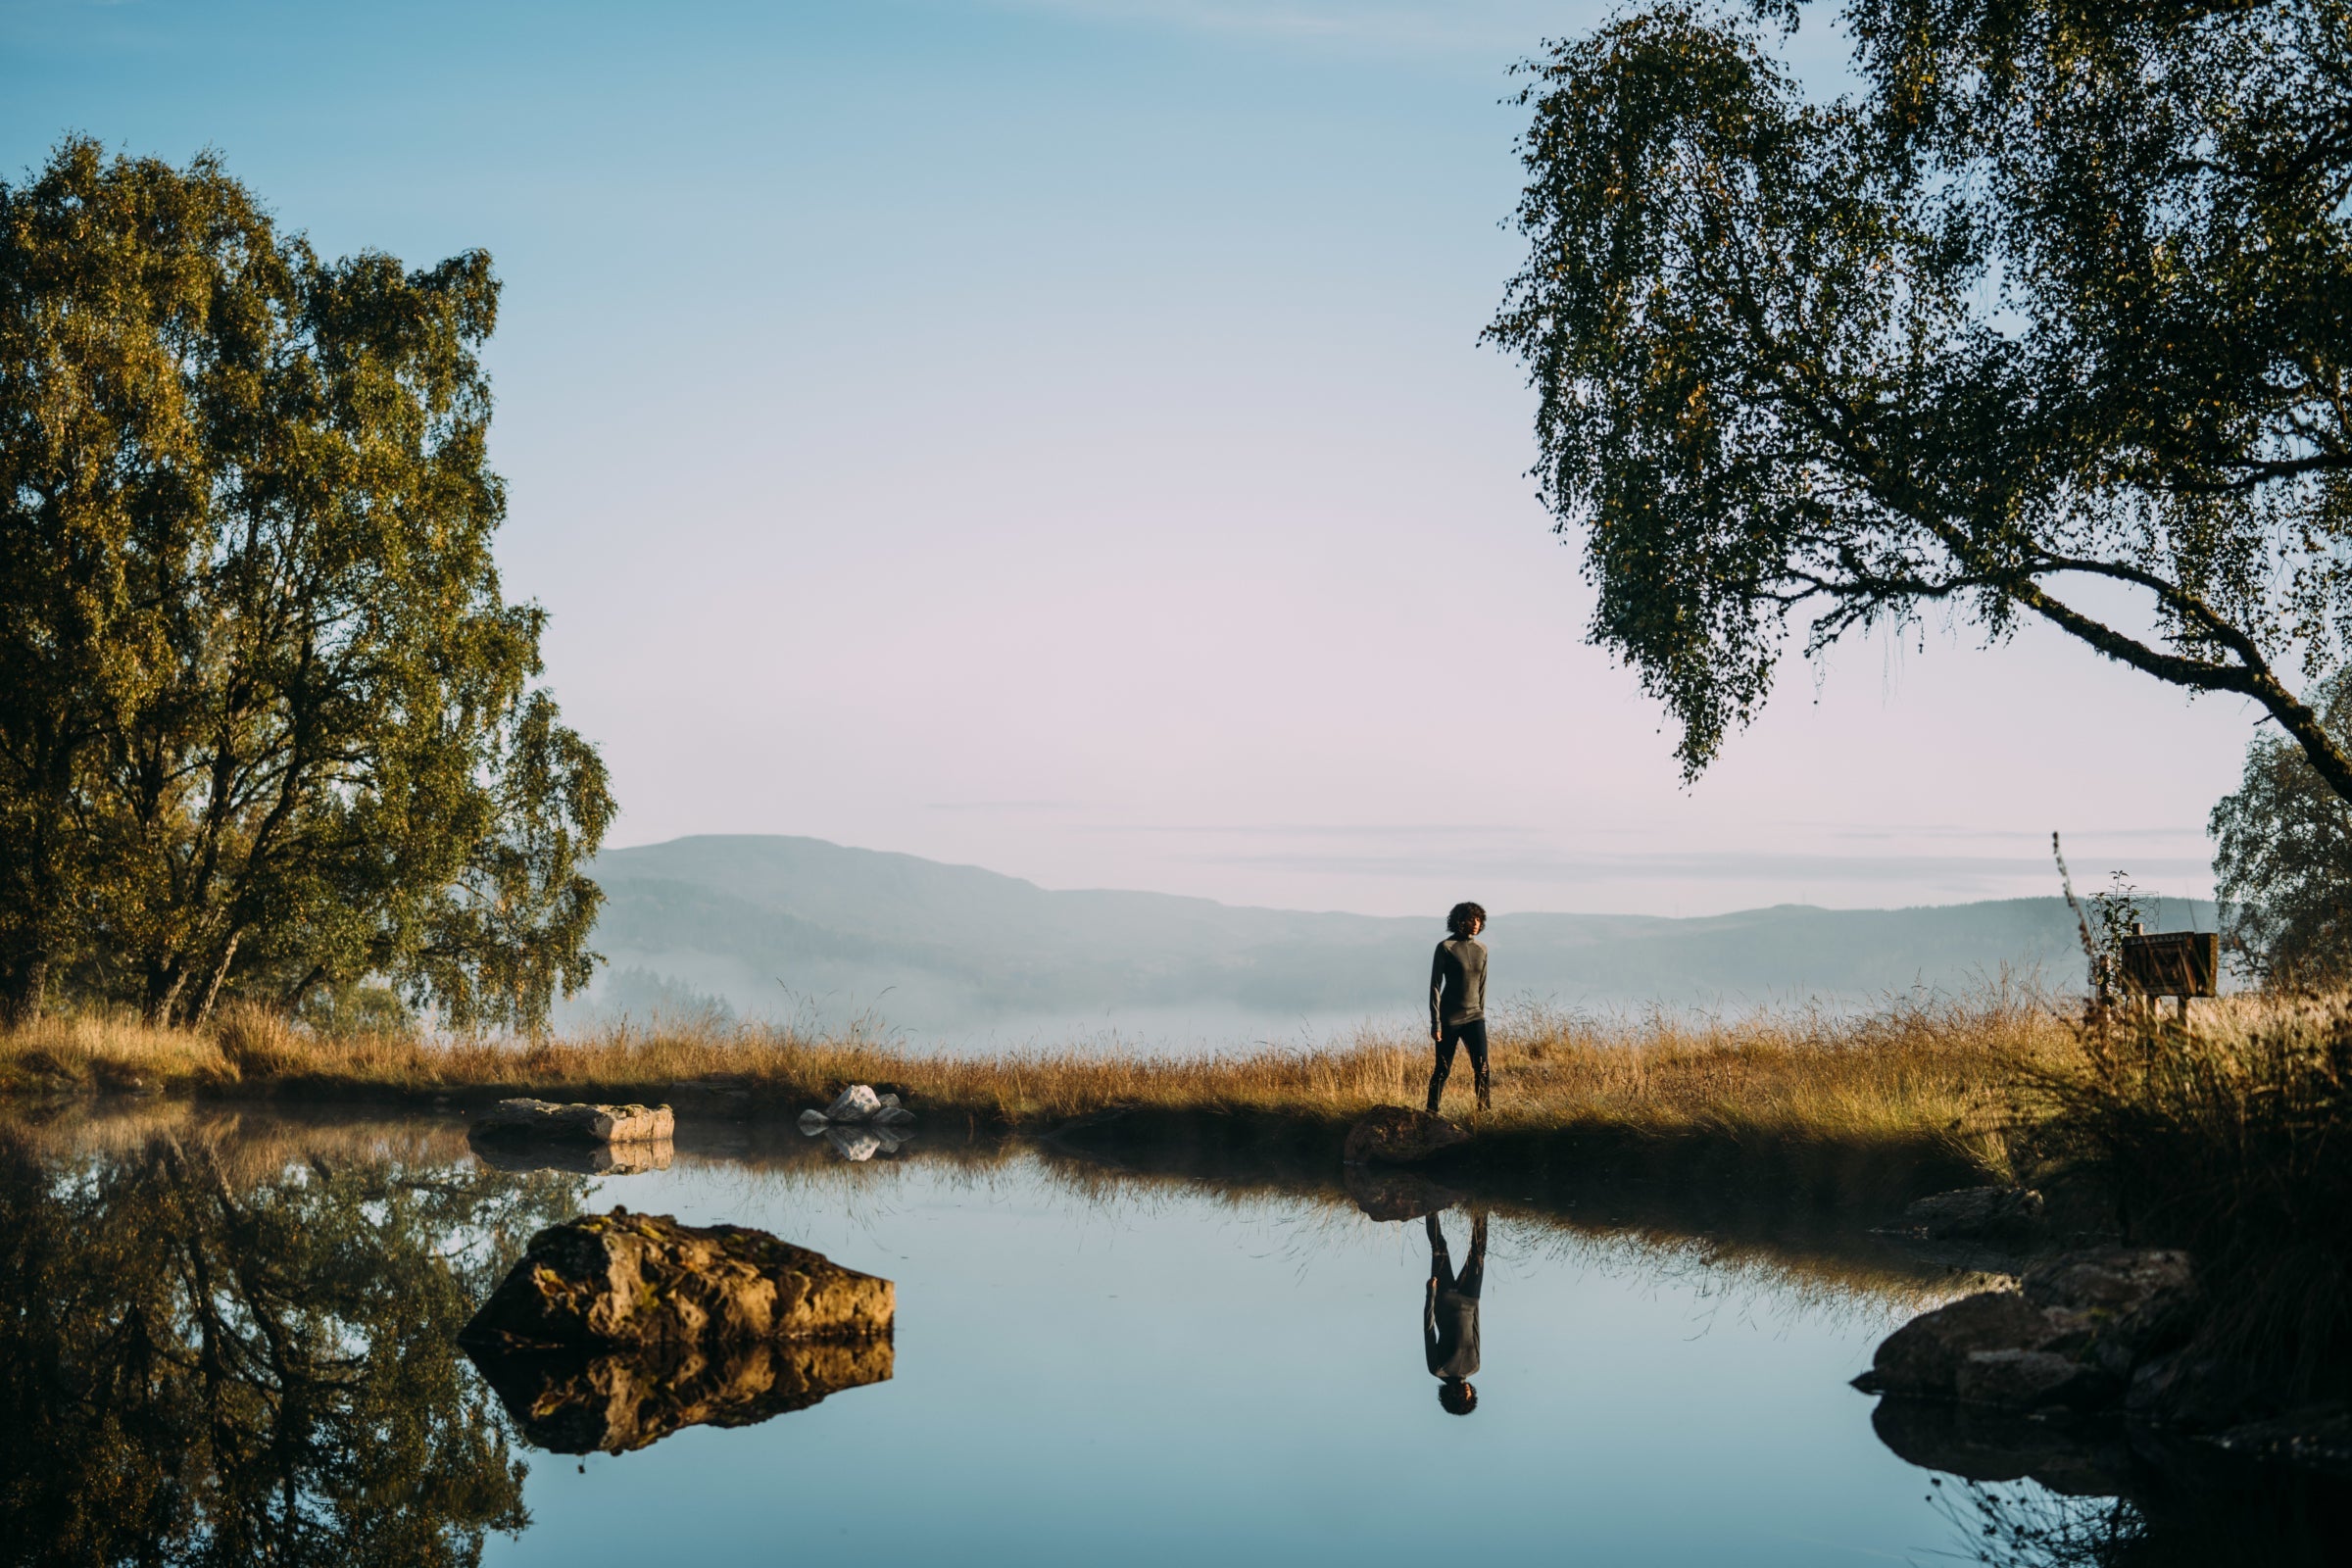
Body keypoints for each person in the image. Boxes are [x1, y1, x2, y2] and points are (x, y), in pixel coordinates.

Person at [1428, 901, 1489, 1113]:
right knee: (1443, 1070)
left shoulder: (1482, 949)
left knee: (1482, 1069)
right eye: (1471, 918)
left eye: (1479, 919)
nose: (1476, 923)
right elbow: (1435, 985)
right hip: (1449, 1019)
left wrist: (1481, 1012)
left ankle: (1484, 1114)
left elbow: (1482, 986)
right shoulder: (1445, 948)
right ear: (1459, 921)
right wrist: (1436, 1022)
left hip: (1475, 1017)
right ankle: (1431, 1114)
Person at [1424, 1209, 1487, 1415]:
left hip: (1444, 1299)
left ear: (1455, 1396)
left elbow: (1429, 1330)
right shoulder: (1474, 1367)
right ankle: (1482, 1206)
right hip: (1470, 1299)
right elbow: (1476, 1328)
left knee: (1439, 1247)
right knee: (1478, 1252)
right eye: (1472, 1398)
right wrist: (1476, 1299)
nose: (1470, 1393)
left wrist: (1430, 1294)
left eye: (1466, 1398)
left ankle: (1429, 1205)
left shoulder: (1438, 1369)